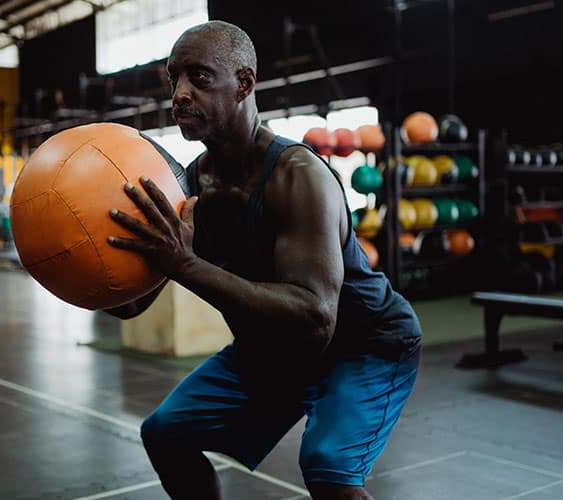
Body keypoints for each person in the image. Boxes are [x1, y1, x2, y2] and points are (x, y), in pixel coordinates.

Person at [106, 20, 421, 500]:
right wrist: (80, 260)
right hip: (275, 349)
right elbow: (129, 306)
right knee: (166, 432)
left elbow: (315, 317)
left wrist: (185, 264)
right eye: (174, 79)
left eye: (200, 77)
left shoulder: (299, 177)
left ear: (244, 84)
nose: (180, 94)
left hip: (364, 343)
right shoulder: (190, 187)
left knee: (328, 466)